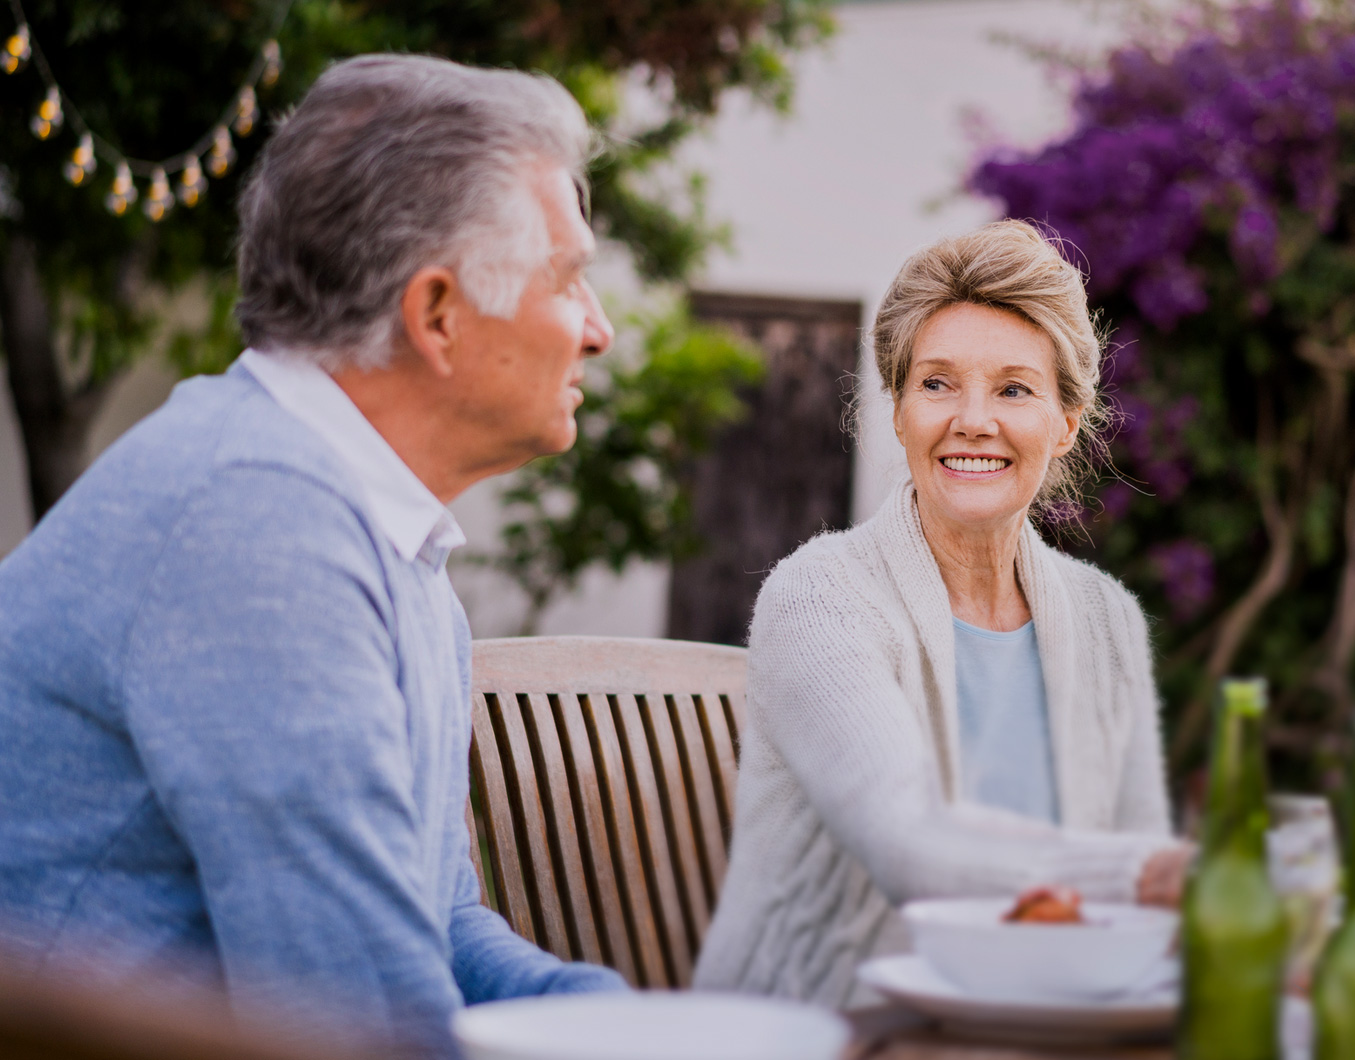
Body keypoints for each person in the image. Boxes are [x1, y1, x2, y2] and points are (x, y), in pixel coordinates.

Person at [0, 55, 626, 1057]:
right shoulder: (253, 524)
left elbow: (433, 924)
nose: (597, 330)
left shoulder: (383, 539)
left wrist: (591, 1006)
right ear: (437, 316)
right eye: (568, 278)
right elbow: (358, 1017)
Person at [693, 220, 1194, 1007]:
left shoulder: (1107, 621)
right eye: (936, 383)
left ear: (1065, 424)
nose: (972, 419)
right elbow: (912, 846)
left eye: (1014, 388)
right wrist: (1156, 873)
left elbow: (1145, 916)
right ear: (897, 411)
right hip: (831, 1033)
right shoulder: (820, 597)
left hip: (1042, 1031)